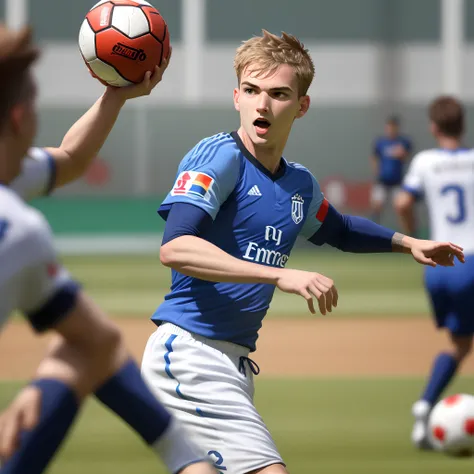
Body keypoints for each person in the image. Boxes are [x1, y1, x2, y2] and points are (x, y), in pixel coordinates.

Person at [140, 30, 464, 473]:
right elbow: (175, 247)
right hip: (190, 353)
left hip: (229, 363)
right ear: (236, 97)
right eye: (252, 91)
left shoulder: (299, 184)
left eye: (278, 94)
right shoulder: (218, 158)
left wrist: (410, 243)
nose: (263, 105)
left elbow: (342, 229)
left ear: (301, 105)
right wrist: (279, 275)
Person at [0, 25, 214, 474]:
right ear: (19, 118)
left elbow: (71, 159)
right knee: (87, 344)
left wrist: (116, 94)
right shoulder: (18, 229)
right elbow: (97, 343)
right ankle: (186, 458)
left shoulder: (14, 181)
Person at [395, 96, 474, 450]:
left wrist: (416, 239)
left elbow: (402, 201)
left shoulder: (425, 161)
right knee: (461, 345)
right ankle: (426, 407)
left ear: (433, 127)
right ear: (463, 124)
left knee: (459, 344)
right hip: (471, 261)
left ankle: (426, 407)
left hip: (440, 265)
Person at [370, 115, 413, 224]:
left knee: (401, 208)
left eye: (393, 127)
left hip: (397, 181)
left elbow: (407, 157)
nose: (391, 129)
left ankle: (406, 236)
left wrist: (402, 154)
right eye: (389, 127)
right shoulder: (380, 142)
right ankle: (373, 231)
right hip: (382, 180)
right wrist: (377, 170)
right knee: (377, 206)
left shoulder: (403, 142)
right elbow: (374, 157)